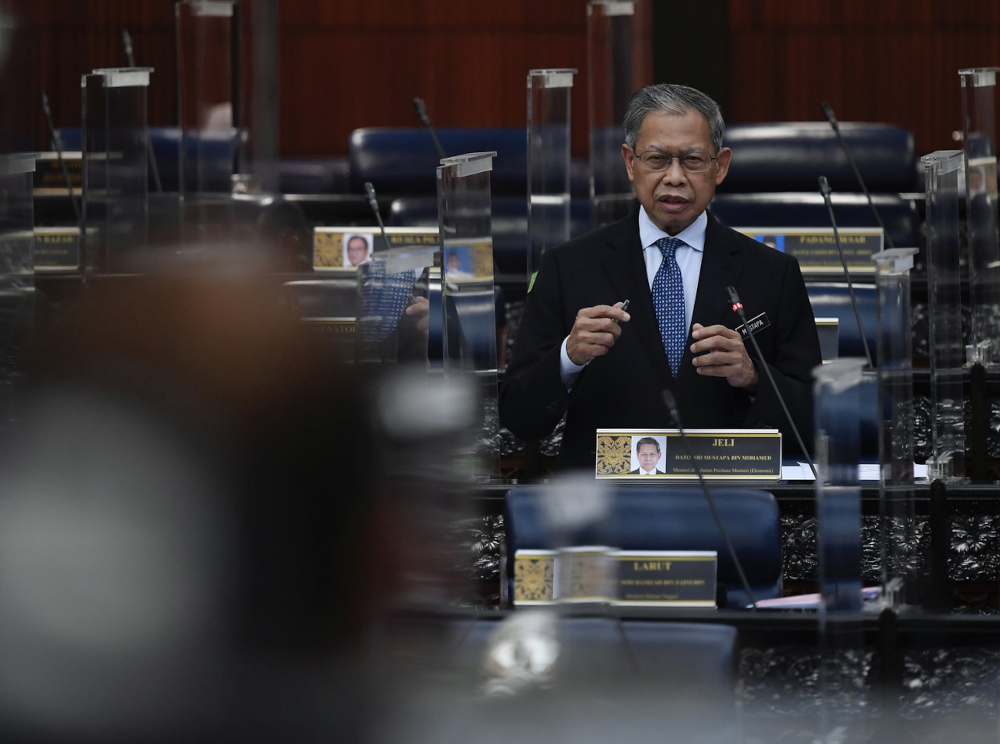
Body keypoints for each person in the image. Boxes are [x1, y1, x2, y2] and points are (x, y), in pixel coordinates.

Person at [500, 83, 822, 471]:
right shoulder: (567, 267)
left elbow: (816, 419)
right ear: (629, 162)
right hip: (603, 505)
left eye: (692, 160)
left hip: (727, 502)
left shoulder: (773, 273)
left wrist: (753, 377)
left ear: (720, 166)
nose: (674, 177)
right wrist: (568, 358)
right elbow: (519, 417)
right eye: (656, 159)